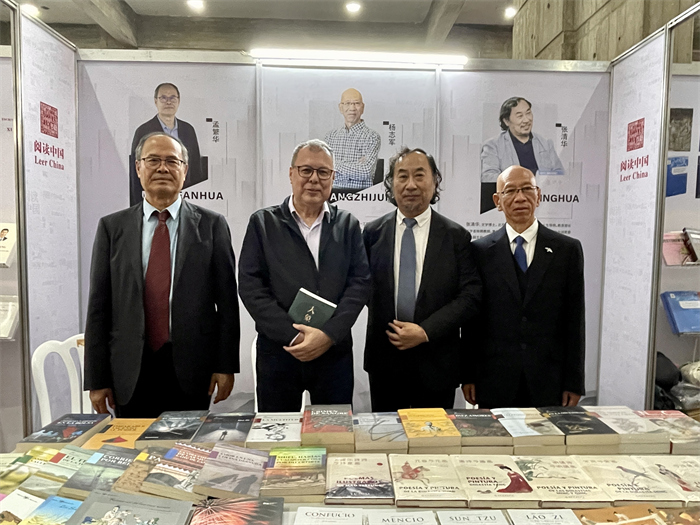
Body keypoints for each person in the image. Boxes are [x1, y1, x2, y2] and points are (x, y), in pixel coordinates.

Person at [84, 132, 239, 417]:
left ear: (185, 170)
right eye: (153, 160)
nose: (162, 168)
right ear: (138, 167)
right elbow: (98, 308)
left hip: (193, 368)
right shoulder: (112, 228)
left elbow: (228, 303)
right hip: (129, 369)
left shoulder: (212, 226)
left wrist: (225, 365)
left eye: (171, 161)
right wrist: (96, 378)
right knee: (132, 444)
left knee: (188, 444)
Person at [238, 139, 371, 411]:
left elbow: (359, 284)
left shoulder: (347, 225)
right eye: (306, 170)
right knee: (277, 431)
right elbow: (251, 287)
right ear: (291, 174)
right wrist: (294, 336)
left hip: (333, 353)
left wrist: (328, 335)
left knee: (333, 430)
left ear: (333, 178)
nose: (314, 179)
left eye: (323, 172)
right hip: (279, 352)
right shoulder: (263, 223)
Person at [363, 147, 481, 411]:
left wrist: (425, 331)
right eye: (402, 176)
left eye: (419, 175)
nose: (411, 185)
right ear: (391, 183)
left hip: (437, 361)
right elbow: (362, 289)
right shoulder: (372, 233)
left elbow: (470, 297)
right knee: (386, 434)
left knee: (434, 435)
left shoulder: (456, 237)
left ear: (435, 180)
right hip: (385, 362)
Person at [463, 165, 585, 409]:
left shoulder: (567, 250)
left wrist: (574, 381)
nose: (520, 198)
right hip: (494, 378)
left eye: (527, 189)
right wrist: (468, 375)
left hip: (548, 380)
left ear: (538, 196)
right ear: (497, 201)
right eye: (510, 191)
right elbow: (472, 322)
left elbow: (574, 321)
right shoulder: (479, 252)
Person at [479, 97, 564, 213]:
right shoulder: (493, 146)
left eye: (528, 113)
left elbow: (560, 173)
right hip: (511, 205)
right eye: (520, 116)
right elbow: (488, 176)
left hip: (544, 204)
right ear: (506, 121)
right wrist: (518, 183)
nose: (526, 120)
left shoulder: (545, 143)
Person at [129, 83, 205, 206]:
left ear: (178, 101)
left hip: (186, 198)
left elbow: (196, 168)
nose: (168, 102)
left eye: (172, 98)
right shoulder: (143, 131)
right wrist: (137, 207)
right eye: (163, 98)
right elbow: (135, 173)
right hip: (152, 198)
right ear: (155, 101)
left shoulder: (188, 130)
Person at [324, 88, 381, 191]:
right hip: (332, 195)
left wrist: (334, 164)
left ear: (362, 108)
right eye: (347, 103)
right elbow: (324, 169)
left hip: (361, 195)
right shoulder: (330, 136)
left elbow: (365, 172)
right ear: (340, 108)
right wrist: (355, 166)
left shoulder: (372, 137)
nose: (352, 108)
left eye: (356, 103)